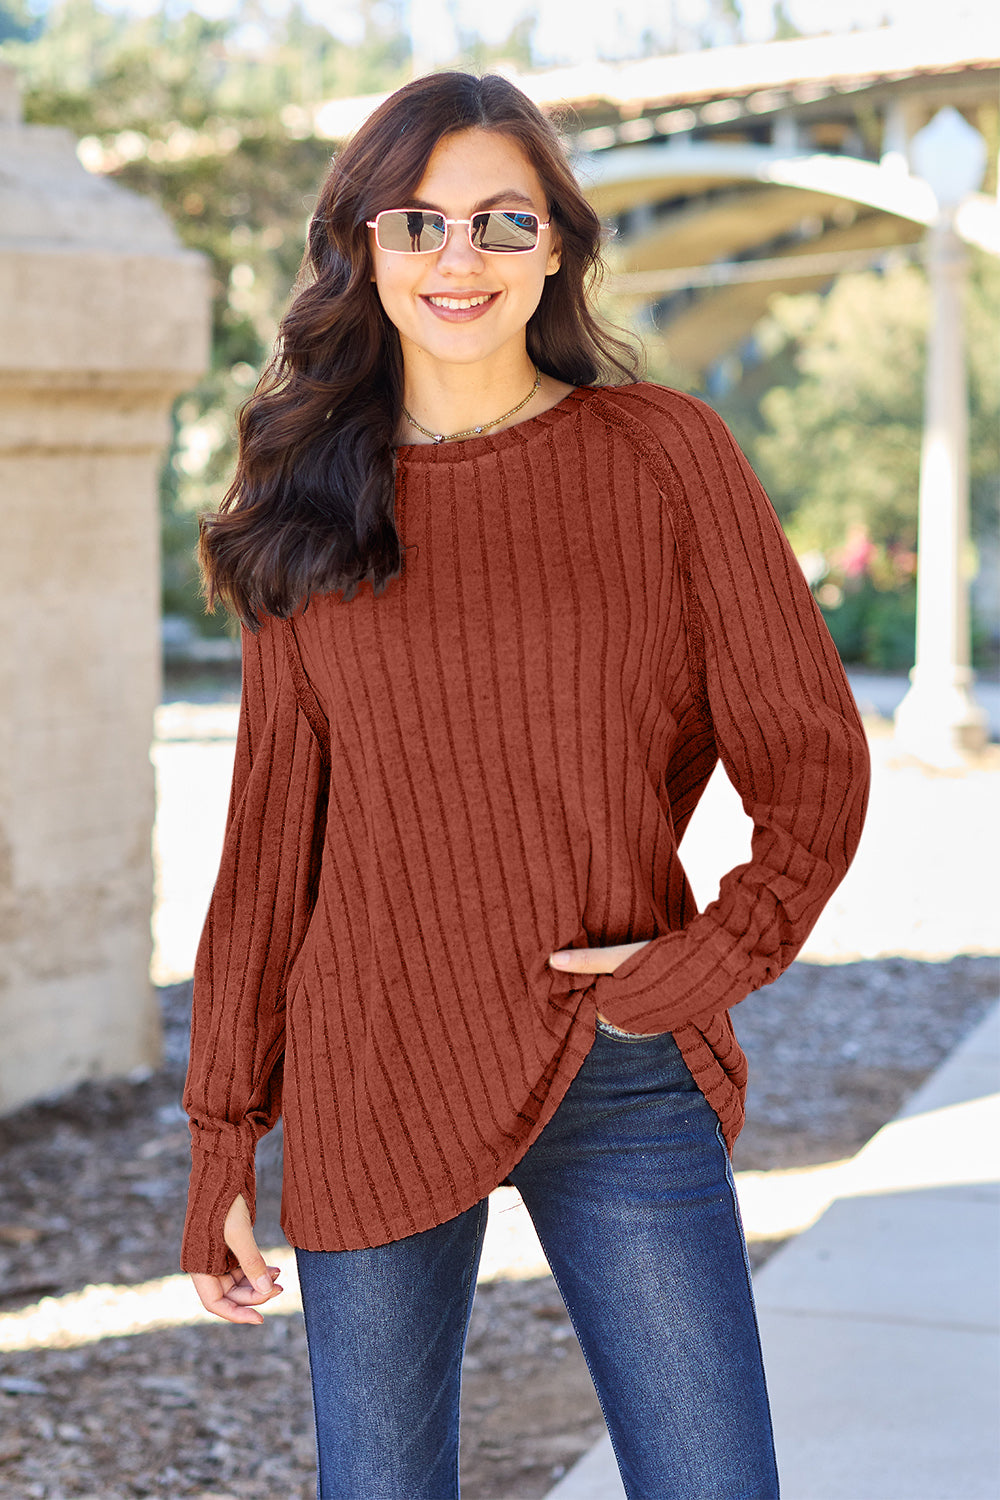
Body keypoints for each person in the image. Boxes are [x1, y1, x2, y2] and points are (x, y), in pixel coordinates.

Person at [182, 70, 869, 1500]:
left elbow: (809, 762)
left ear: (556, 243)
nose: (459, 259)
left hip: (612, 1051)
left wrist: (695, 967)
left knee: (712, 1482)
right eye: (418, 222)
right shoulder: (298, 493)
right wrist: (222, 1138)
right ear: (362, 248)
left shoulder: (666, 459)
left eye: (502, 222)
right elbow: (269, 850)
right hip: (374, 1060)